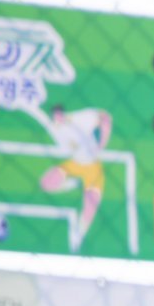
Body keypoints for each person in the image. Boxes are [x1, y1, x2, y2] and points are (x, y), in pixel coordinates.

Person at [39, 105, 112, 248]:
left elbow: (105, 117)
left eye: (60, 116)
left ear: (63, 114)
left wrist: (102, 144)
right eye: (55, 117)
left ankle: (79, 235)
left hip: (92, 167)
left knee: (90, 206)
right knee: (46, 184)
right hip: (74, 164)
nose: (58, 119)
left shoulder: (79, 118)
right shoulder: (55, 128)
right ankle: (74, 183)